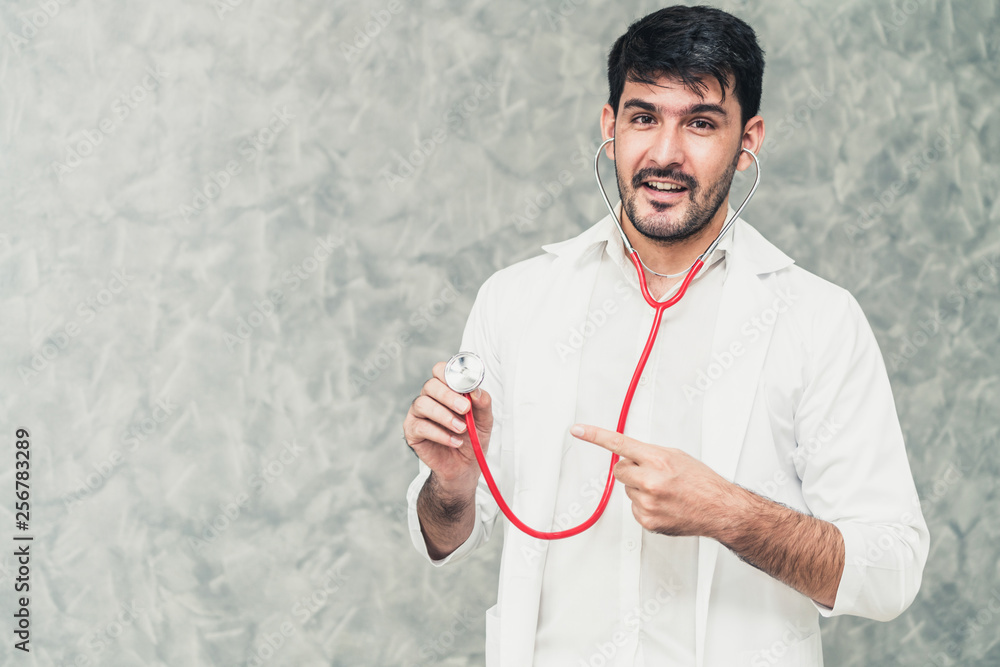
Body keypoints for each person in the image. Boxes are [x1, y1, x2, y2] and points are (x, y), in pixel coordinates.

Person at [402, 6, 929, 666]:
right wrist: (450, 483)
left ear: (749, 141)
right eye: (643, 116)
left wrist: (730, 512)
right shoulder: (516, 301)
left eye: (701, 122)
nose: (665, 153)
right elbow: (448, 533)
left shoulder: (818, 319)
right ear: (609, 126)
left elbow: (891, 571)